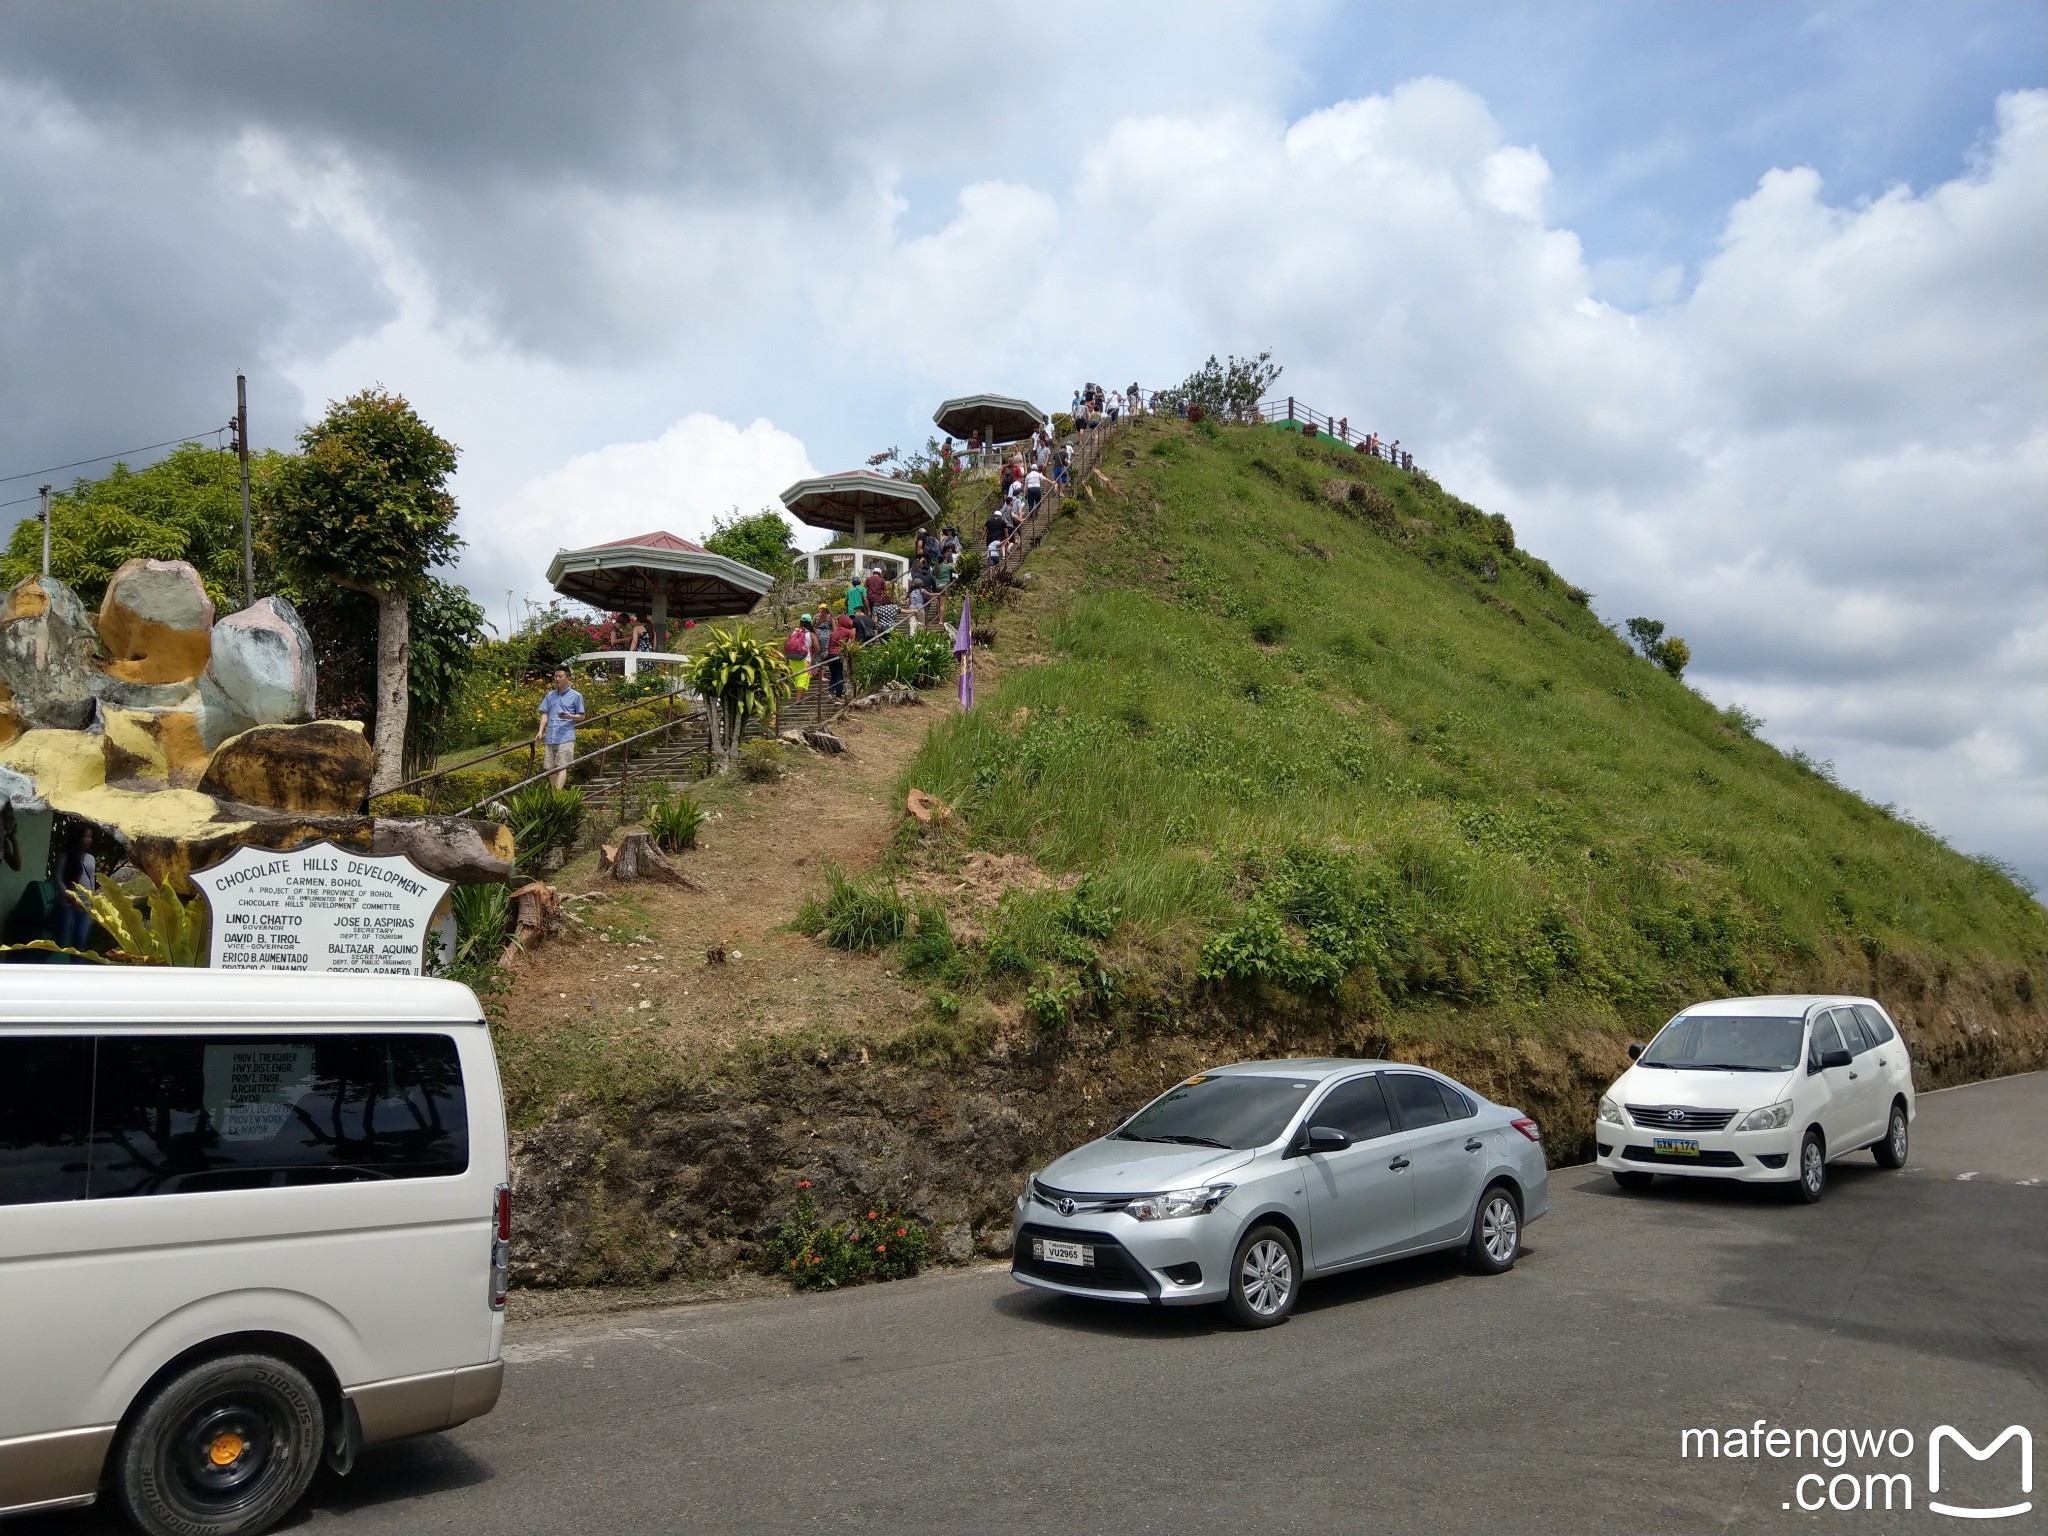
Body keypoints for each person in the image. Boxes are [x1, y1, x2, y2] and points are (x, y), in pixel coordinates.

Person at [535, 667, 586, 789]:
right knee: (549, 767)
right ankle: (555, 794)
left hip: (565, 737)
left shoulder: (576, 696)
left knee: (562, 765)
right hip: (550, 736)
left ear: (568, 679)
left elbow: (582, 716)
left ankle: (557, 795)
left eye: (560, 676)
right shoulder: (550, 695)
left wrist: (570, 716)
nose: (557, 679)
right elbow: (545, 713)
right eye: (556, 676)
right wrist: (540, 731)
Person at [786, 614, 815, 692]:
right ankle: (798, 701)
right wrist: (812, 655)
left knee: (797, 678)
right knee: (803, 679)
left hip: (792, 658)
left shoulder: (793, 632)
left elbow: (786, 645)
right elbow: (817, 648)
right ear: (810, 623)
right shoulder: (810, 634)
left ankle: (800, 699)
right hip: (805, 659)